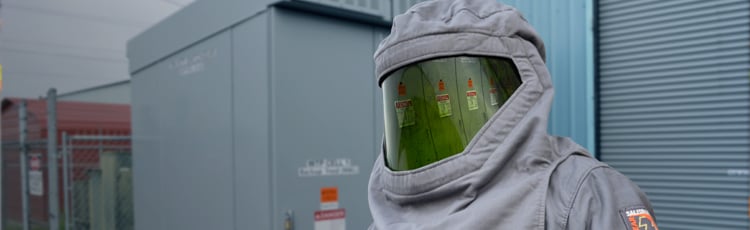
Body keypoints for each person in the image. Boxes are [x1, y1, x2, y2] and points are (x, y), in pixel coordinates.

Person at [367, 0, 658, 229]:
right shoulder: (387, 208)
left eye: (469, 95)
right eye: (412, 102)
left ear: (520, 85)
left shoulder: (582, 195)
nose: (441, 118)